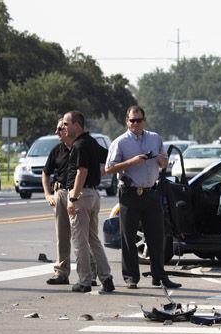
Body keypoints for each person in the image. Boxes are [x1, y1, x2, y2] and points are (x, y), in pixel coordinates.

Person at [105, 105, 181, 289]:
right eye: (132, 120)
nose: (136, 124)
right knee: (128, 237)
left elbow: (163, 162)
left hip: (151, 192)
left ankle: (159, 276)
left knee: (157, 237)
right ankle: (131, 277)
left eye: (139, 120)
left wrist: (162, 162)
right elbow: (108, 169)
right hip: (130, 192)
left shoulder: (154, 138)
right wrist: (132, 162)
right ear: (127, 121)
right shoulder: (120, 142)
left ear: (144, 121)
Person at [62, 110, 115, 293]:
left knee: (80, 241)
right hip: (93, 195)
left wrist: (73, 198)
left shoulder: (80, 145)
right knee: (93, 240)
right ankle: (106, 278)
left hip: (81, 196)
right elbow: (109, 160)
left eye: (66, 124)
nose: (63, 127)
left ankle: (84, 281)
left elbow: (81, 172)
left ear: (77, 125)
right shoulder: (92, 142)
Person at [42, 119, 98, 286]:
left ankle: (91, 273)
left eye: (61, 128)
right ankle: (61, 272)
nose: (58, 132)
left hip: (78, 194)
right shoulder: (57, 151)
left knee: (84, 236)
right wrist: (47, 194)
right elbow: (45, 173)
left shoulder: (82, 146)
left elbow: (102, 161)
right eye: (58, 128)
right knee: (62, 234)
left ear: (70, 129)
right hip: (61, 193)